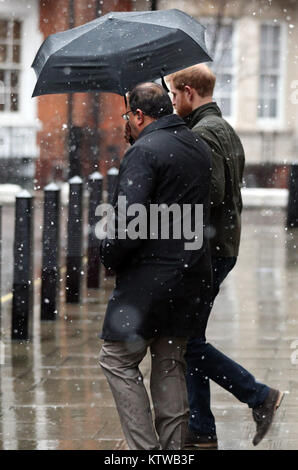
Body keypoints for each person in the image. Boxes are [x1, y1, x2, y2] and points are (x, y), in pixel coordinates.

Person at [167, 64, 284, 449]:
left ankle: (259, 395)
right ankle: (202, 432)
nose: (171, 101)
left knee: (186, 342)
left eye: (172, 94)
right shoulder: (225, 130)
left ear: (188, 92)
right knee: (191, 337)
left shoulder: (202, 133)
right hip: (222, 248)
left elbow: (211, 194)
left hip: (207, 252)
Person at [99, 82, 213, 450]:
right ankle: (174, 453)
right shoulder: (197, 144)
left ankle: (145, 451)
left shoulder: (145, 151)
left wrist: (108, 253)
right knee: (169, 362)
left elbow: (128, 222)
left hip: (148, 279)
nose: (125, 125)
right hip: (191, 274)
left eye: (127, 117)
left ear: (138, 115)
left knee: (116, 358)